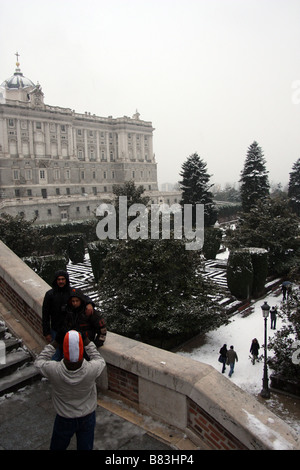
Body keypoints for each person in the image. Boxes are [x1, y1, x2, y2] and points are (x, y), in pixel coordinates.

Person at [34, 330, 106, 450]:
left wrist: (55, 343)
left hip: (64, 417)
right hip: (87, 415)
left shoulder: (53, 370)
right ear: (81, 349)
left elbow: (39, 361)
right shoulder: (92, 369)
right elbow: (98, 358)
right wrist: (87, 342)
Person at [42, 270, 94, 345]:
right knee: (56, 354)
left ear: (66, 280)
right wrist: (46, 333)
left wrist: (89, 304)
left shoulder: (72, 292)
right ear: (56, 280)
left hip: (70, 330)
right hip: (55, 329)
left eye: (63, 279)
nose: (61, 281)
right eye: (59, 279)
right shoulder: (50, 294)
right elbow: (45, 315)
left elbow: (84, 298)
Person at [55, 288, 107, 357]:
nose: (75, 303)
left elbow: (102, 330)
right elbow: (62, 328)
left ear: (81, 301)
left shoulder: (89, 312)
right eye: (73, 301)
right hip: (70, 347)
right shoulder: (67, 311)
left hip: (85, 348)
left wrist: (95, 345)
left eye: (77, 301)